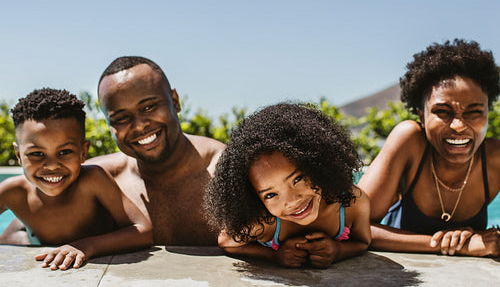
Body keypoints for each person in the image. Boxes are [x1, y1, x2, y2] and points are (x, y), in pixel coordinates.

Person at [358, 39, 500, 257]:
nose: (458, 126)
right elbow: (353, 228)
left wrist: (492, 239)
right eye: (443, 112)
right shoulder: (410, 141)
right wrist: (455, 245)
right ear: (421, 116)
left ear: (487, 115)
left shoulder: (494, 157)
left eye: (473, 112)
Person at [0, 88, 152, 270]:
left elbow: (142, 232)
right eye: (37, 154)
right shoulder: (12, 191)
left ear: (83, 152)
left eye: (64, 152)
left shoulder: (93, 181)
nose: (51, 165)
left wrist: (86, 246)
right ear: (18, 154)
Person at [204, 103, 371, 268]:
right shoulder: (265, 222)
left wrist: (338, 250)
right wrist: (274, 255)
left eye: (297, 179)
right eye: (270, 195)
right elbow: (226, 241)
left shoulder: (352, 202)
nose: (291, 200)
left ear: (317, 164)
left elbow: (363, 242)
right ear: (254, 199)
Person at [88, 56, 226, 245]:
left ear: (175, 101)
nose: (139, 126)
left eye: (149, 107)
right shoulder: (99, 180)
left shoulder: (225, 170)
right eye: (121, 118)